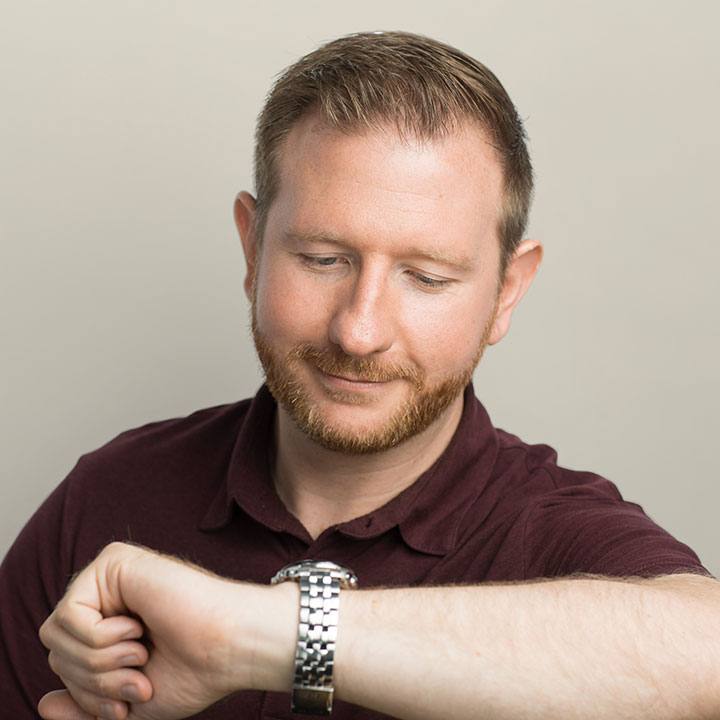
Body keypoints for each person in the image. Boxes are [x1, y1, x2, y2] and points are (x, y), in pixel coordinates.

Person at [1, 30, 718, 720]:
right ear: (252, 249)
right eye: (322, 260)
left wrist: (253, 637)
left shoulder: (556, 535)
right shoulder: (108, 493)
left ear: (506, 292)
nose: (359, 331)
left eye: (427, 277)